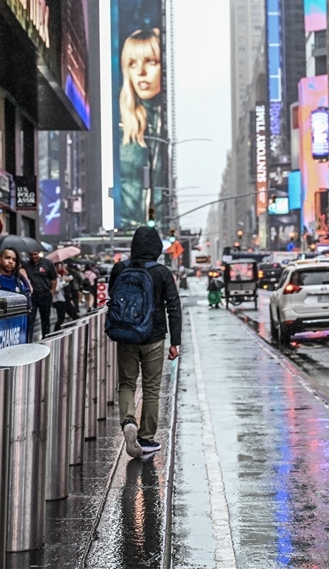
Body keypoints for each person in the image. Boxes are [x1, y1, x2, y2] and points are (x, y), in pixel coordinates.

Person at [111, 226, 181, 459]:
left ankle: (128, 419)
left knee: (127, 383)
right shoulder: (162, 272)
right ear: (157, 248)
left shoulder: (120, 268)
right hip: (154, 337)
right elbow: (173, 307)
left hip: (126, 335)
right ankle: (146, 438)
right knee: (151, 388)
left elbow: (113, 297)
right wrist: (175, 341)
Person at [118, 29, 165, 228]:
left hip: (155, 225)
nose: (141, 72)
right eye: (133, 64)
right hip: (129, 225)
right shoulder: (120, 126)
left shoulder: (163, 124)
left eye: (151, 61)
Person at [27, 250, 58, 337]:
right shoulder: (26, 266)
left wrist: (52, 292)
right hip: (33, 296)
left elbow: (54, 279)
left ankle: (46, 338)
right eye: (31, 254)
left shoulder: (48, 263)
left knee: (45, 319)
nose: (33, 256)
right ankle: (29, 340)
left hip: (45, 294)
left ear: (39, 253)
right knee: (30, 319)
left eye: (35, 254)